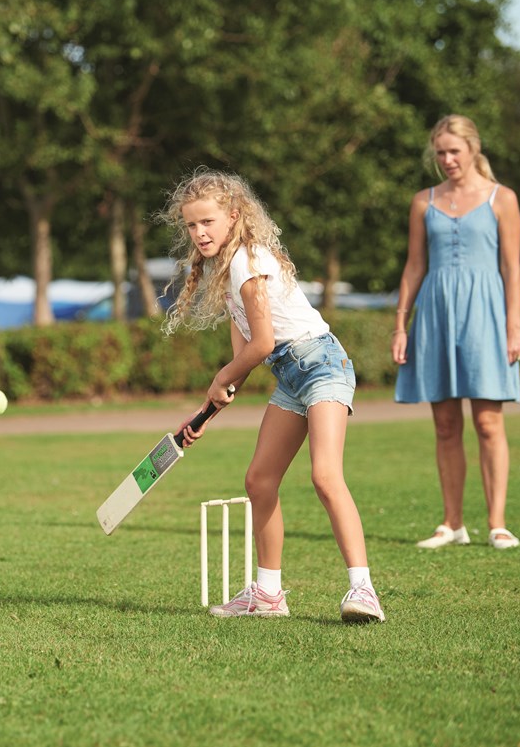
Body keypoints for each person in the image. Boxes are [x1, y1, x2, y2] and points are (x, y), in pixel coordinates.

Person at [160, 168, 384, 623]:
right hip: (291, 377)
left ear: (234, 216)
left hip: (321, 365)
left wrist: (222, 376)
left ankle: (363, 589)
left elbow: (262, 345)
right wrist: (208, 407)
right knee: (259, 481)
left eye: (208, 222)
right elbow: (245, 353)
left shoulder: (248, 259)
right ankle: (267, 595)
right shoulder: (226, 273)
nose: (199, 232)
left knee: (324, 475)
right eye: (191, 225)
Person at [392, 114, 520, 550]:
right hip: (435, 313)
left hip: (486, 314)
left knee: (488, 422)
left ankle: (498, 523)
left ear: (473, 149)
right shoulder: (422, 202)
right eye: (441, 152)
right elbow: (414, 266)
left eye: (455, 151)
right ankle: (452, 524)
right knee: (445, 425)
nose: (447, 159)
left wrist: (514, 326)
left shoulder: (502, 199)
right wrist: (401, 325)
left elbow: (511, 268)